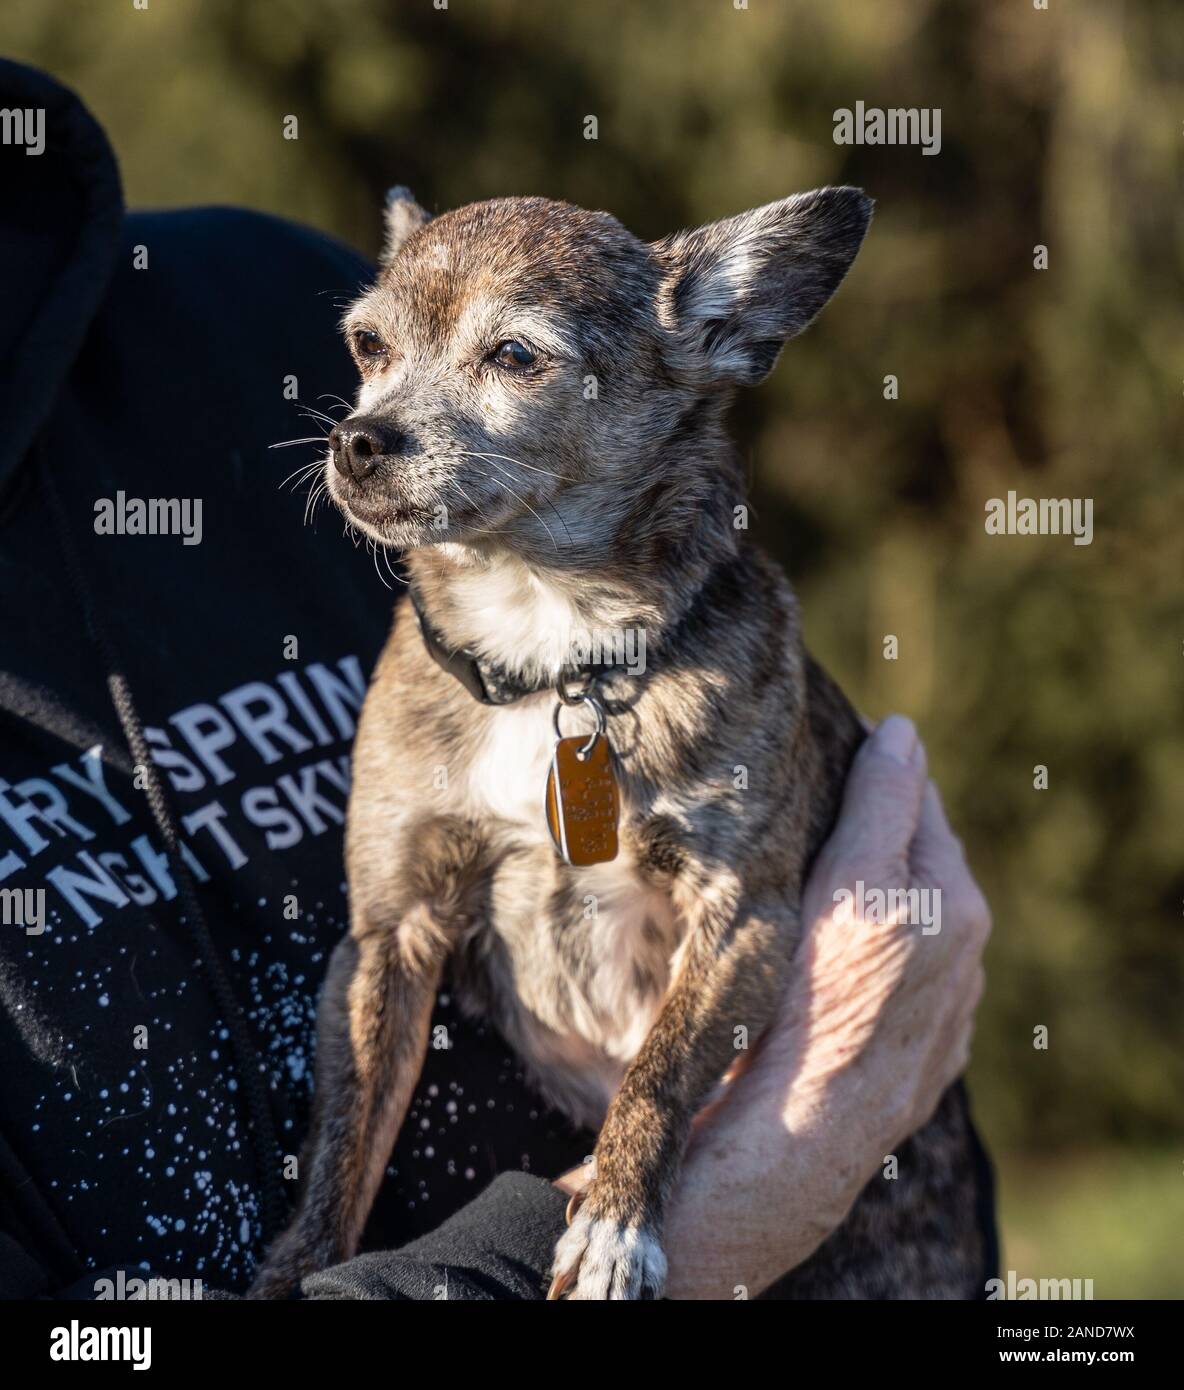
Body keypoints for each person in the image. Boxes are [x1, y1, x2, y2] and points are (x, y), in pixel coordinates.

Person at [0, 59, 994, 1300]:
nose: (371, 420)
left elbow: (782, 936)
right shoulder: (416, 682)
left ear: (717, 335)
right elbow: (391, 951)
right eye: (373, 348)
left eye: (510, 361)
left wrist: (644, 1185)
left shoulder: (231, 287)